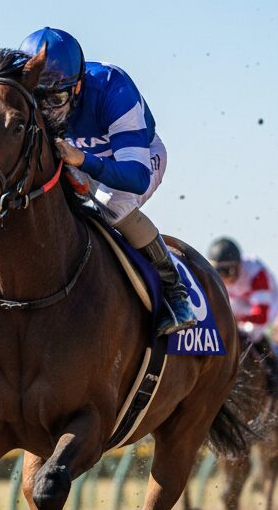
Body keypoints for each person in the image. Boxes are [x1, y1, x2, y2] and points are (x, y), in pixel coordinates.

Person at [18, 27, 195, 337]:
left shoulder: (113, 88)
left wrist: (83, 161)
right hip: (79, 159)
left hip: (134, 158)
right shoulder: (39, 101)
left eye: (56, 97)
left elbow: (137, 178)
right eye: (38, 98)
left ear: (78, 86)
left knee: (112, 203)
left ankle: (175, 292)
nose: (47, 111)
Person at [207, 237, 278, 342]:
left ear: (239, 265)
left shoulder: (256, 273)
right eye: (217, 271)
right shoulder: (212, 276)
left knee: (252, 332)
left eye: (227, 271)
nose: (223, 278)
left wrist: (238, 319)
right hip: (240, 301)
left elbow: (262, 316)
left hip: (269, 303)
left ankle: (272, 356)